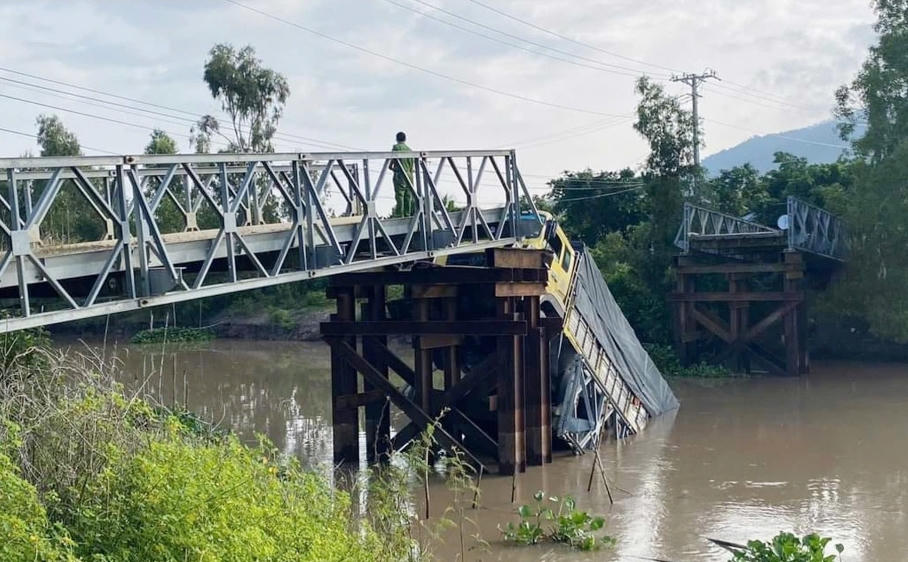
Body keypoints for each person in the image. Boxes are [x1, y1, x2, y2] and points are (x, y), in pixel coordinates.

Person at [391, 131, 414, 217]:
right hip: (409, 175)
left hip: (400, 174)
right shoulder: (410, 150)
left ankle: (400, 215)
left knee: (400, 195)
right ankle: (407, 214)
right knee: (408, 195)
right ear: (405, 139)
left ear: (397, 139)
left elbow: (392, 161)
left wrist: (392, 168)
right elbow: (412, 166)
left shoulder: (396, 147)